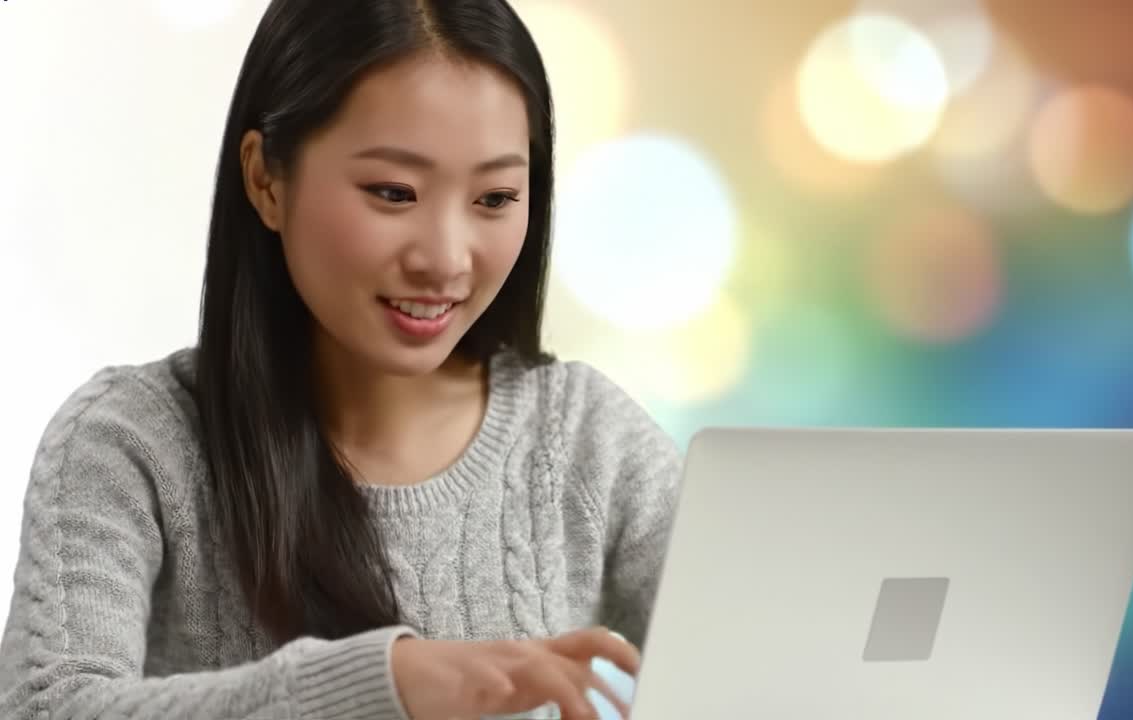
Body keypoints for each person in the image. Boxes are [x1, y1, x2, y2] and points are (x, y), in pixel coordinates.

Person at [0, 0, 682, 718]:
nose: (446, 259)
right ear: (266, 179)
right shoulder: (133, 442)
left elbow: (769, 662)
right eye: (394, 192)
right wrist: (380, 684)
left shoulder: (585, 440)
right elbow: (48, 706)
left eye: (495, 197)